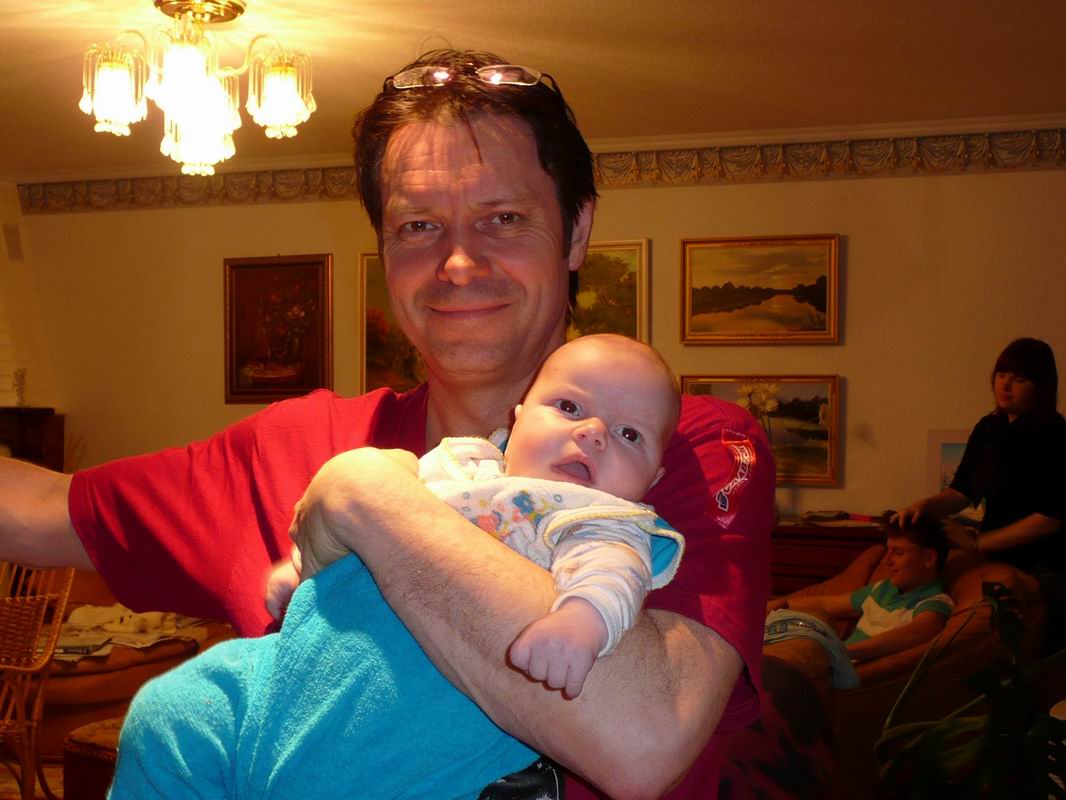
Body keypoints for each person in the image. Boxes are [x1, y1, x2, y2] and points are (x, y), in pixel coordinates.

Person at [0, 49, 774, 798]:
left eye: (504, 218)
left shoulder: (678, 449)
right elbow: (37, 507)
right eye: (418, 226)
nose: (459, 263)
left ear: (575, 232)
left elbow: (642, 740)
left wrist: (368, 499)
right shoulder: (290, 445)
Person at [109, 335, 689, 798]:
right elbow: (352, 529)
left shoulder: (599, 520)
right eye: (568, 407)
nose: (593, 433)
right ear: (517, 420)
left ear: (653, 480)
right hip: (290, 669)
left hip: (411, 723)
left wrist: (579, 623)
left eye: (629, 434)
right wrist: (308, 569)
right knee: (167, 711)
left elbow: (613, 576)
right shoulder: (462, 465)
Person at [896, 337, 1064, 653]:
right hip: (997, 560)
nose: (1005, 385)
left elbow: (1048, 519)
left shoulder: (1056, 436)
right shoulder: (989, 428)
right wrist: (924, 506)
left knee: (1038, 658)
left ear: (1041, 386)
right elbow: (961, 491)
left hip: (1044, 568)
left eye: (1019, 379)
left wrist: (977, 542)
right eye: (1002, 375)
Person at [766, 518, 954, 671]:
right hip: (830, 661)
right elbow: (825, 604)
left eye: (898, 552)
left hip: (851, 672)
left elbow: (914, 635)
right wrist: (779, 604)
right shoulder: (883, 588)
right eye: (888, 551)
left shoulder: (934, 601)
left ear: (929, 558)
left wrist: (839, 652)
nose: (887, 561)